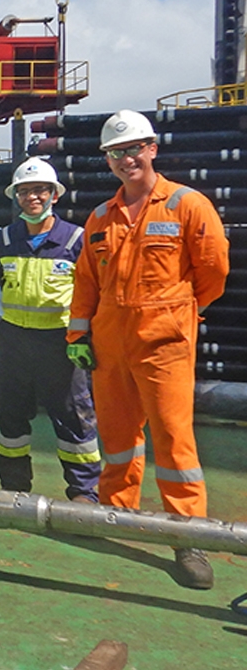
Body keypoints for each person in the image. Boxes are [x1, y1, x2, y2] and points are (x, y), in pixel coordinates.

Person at [67, 109, 229, 590]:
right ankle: (117, 514)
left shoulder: (186, 205)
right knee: (117, 436)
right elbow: (86, 283)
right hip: (110, 343)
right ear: (108, 160)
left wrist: (175, 311)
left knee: (174, 439)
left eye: (133, 149)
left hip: (164, 344)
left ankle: (189, 536)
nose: (126, 159)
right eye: (116, 153)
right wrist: (78, 336)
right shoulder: (100, 218)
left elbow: (213, 272)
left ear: (152, 149)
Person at [0, 158, 100, 502]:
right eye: (24, 191)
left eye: (40, 190)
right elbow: (1, 282)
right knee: (10, 417)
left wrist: (83, 338)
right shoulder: (4, 239)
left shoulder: (76, 239)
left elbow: (92, 293)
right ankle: (14, 489)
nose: (32, 197)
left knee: (73, 418)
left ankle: (83, 493)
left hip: (60, 342)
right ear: (16, 197)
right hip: (14, 341)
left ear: (54, 194)